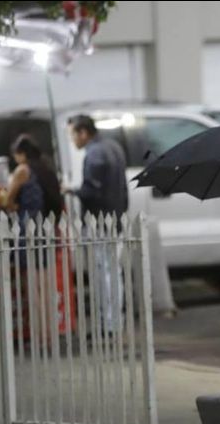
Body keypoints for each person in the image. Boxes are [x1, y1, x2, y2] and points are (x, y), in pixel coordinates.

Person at [67, 114, 128, 333]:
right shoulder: (114, 147)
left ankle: (108, 323)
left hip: (98, 222)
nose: (72, 140)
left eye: (73, 135)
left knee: (103, 274)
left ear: (83, 133)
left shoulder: (93, 154)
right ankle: (115, 321)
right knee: (113, 271)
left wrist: (72, 190)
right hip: (115, 218)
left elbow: (91, 191)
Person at [2, 134, 63, 222]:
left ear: (22, 154)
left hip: (29, 220)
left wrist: (16, 207)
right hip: (50, 220)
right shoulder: (47, 166)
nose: (15, 159)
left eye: (15, 155)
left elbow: (8, 200)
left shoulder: (23, 170)